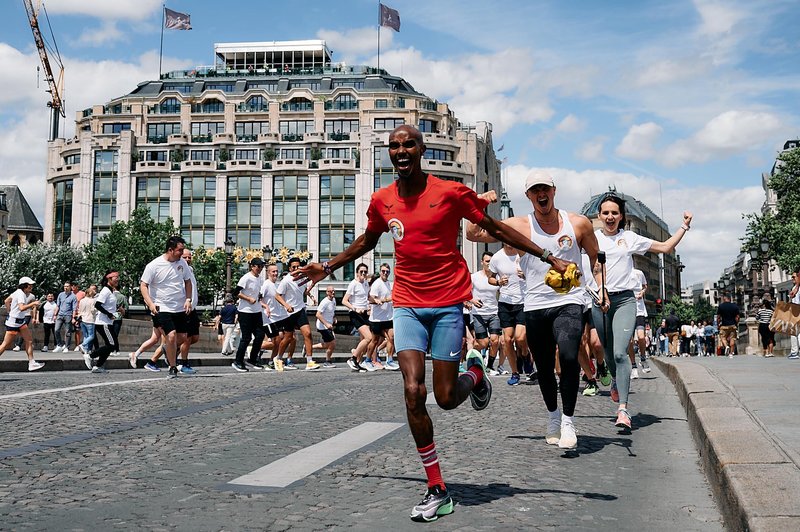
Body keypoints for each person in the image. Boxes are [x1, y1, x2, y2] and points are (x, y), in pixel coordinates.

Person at [297, 125, 571, 522]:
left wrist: (549, 258)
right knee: (413, 391)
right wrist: (328, 265)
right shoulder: (382, 199)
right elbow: (368, 239)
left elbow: (494, 228)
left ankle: (475, 375)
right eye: (394, 146)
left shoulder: (450, 192)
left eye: (409, 143)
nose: (401, 150)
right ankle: (437, 487)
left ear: (421, 149)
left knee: (444, 397)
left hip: (446, 305)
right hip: (406, 303)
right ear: (388, 154)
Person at [468, 169, 600, 449]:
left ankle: (568, 421)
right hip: (536, 304)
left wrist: (602, 289)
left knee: (567, 354)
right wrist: (478, 204)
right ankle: (553, 415)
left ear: (554, 191)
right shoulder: (520, 225)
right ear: (528, 196)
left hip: (570, 300)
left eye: (546, 189)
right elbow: (474, 234)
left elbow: (596, 258)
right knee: (542, 366)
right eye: (535, 190)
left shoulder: (578, 224)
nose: (541, 194)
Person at [591, 192, 692, 430]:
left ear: (621, 216)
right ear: (599, 216)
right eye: (605, 212)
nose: (610, 216)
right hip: (599, 301)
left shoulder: (629, 238)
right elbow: (584, 263)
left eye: (614, 213)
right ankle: (616, 379)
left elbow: (666, 247)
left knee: (619, 353)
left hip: (625, 300)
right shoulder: (592, 239)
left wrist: (684, 227)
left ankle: (623, 409)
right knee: (606, 351)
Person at [140, 235, 193, 379]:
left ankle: (168, 351)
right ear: (170, 250)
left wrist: (188, 299)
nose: (182, 253)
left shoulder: (182, 263)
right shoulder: (154, 265)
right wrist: (150, 304)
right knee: (171, 336)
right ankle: (173, 367)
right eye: (180, 250)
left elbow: (188, 281)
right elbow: (143, 285)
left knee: (182, 338)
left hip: (179, 307)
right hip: (161, 307)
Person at [488, 243, 528, 386]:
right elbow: (490, 278)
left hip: (523, 300)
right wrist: (498, 282)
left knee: (521, 337)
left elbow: (536, 273)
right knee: (507, 340)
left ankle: (525, 355)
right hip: (505, 302)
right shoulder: (497, 257)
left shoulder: (522, 253)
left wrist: (526, 275)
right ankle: (515, 372)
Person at [276, 257, 320, 371]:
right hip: (289, 313)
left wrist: (311, 295)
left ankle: (309, 361)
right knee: (288, 338)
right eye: (294, 267)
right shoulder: (286, 280)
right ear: (290, 268)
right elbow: (277, 295)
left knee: (308, 333)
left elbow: (304, 291)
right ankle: (278, 358)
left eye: (298, 266)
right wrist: (286, 305)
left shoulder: (302, 278)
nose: (296, 269)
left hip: (300, 309)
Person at [0, 277, 44, 371]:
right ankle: (31, 362)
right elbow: (21, 308)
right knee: (5, 345)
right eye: (30, 285)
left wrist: (10, 311)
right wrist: (33, 304)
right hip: (15, 323)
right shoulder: (21, 294)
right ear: (25, 285)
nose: (31, 286)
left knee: (29, 340)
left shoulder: (17, 292)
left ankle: (32, 363)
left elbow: (7, 301)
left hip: (19, 321)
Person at [232, 257, 267, 371]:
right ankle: (238, 361)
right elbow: (235, 292)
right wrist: (248, 298)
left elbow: (258, 292)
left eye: (262, 266)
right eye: (258, 266)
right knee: (246, 338)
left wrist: (260, 298)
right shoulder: (246, 278)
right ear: (252, 266)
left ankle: (252, 359)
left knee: (260, 335)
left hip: (256, 311)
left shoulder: (260, 279)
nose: (260, 268)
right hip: (245, 311)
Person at [470, 252, 502, 374]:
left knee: (495, 340)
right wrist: (471, 300)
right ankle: (473, 354)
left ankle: (489, 366)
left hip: (494, 312)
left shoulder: (497, 278)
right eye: (487, 261)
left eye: (490, 261)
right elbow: (466, 291)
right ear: (482, 262)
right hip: (478, 313)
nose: (489, 264)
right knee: (483, 342)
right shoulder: (475, 277)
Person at [84, 271, 121, 373]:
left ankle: (98, 366)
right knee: (112, 345)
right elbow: (98, 305)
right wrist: (108, 314)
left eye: (118, 277)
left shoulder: (111, 291)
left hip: (108, 322)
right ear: (109, 279)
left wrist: (117, 309)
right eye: (116, 277)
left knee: (110, 346)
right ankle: (90, 355)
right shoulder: (105, 291)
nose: (118, 279)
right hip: (103, 323)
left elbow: (108, 305)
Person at [343, 264, 372, 372]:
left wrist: (377, 301)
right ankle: (353, 358)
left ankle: (357, 363)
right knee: (368, 337)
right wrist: (355, 308)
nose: (363, 274)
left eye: (365, 272)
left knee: (363, 340)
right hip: (355, 314)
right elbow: (344, 300)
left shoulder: (365, 283)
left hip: (364, 314)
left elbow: (368, 297)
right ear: (357, 273)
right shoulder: (353, 284)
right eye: (361, 272)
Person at [369, 263, 397, 370]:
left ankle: (389, 360)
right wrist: (384, 300)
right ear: (380, 272)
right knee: (374, 341)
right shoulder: (377, 284)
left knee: (392, 337)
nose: (385, 273)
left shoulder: (389, 284)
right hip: (377, 318)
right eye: (383, 271)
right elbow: (371, 299)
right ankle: (367, 360)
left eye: (387, 271)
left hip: (388, 317)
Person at [314, 285, 338, 368]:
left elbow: (332, 311)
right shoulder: (324, 302)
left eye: (334, 291)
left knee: (328, 344)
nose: (333, 293)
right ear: (327, 292)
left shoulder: (334, 300)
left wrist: (334, 318)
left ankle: (308, 347)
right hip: (323, 326)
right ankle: (327, 361)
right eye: (331, 291)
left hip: (329, 325)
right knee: (332, 343)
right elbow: (318, 314)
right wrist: (326, 324)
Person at [54, 281, 78, 352]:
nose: (66, 288)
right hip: (60, 314)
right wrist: (55, 314)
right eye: (65, 286)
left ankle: (67, 346)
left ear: (70, 287)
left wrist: (73, 318)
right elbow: (58, 305)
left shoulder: (73, 297)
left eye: (67, 286)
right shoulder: (61, 295)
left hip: (68, 315)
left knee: (68, 332)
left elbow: (74, 308)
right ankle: (59, 344)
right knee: (56, 330)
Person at [716, 294, 740, 358]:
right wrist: (736, 324)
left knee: (723, 337)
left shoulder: (721, 306)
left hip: (724, 325)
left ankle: (726, 346)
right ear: (730, 299)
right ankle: (731, 353)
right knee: (732, 338)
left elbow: (718, 317)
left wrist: (718, 325)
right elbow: (737, 317)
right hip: (732, 325)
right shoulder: (735, 306)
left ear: (724, 299)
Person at [77, 285, 98, 355]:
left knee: (86, 335)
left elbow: (79, 310)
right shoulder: (93, 301)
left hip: (82, 319)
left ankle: (85, 349)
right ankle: (83, 345)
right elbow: (93, 310)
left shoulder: (82, 300)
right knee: (91, 336)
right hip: (90, 319)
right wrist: (96, 310)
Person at [789, 268, 800, 360]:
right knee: (793, 333)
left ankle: (795, 351)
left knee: (796, 333)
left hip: (797, 312)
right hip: (795, 312)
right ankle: (794, 351)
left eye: (794, 277)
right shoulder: (794, 288)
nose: (792, 278)